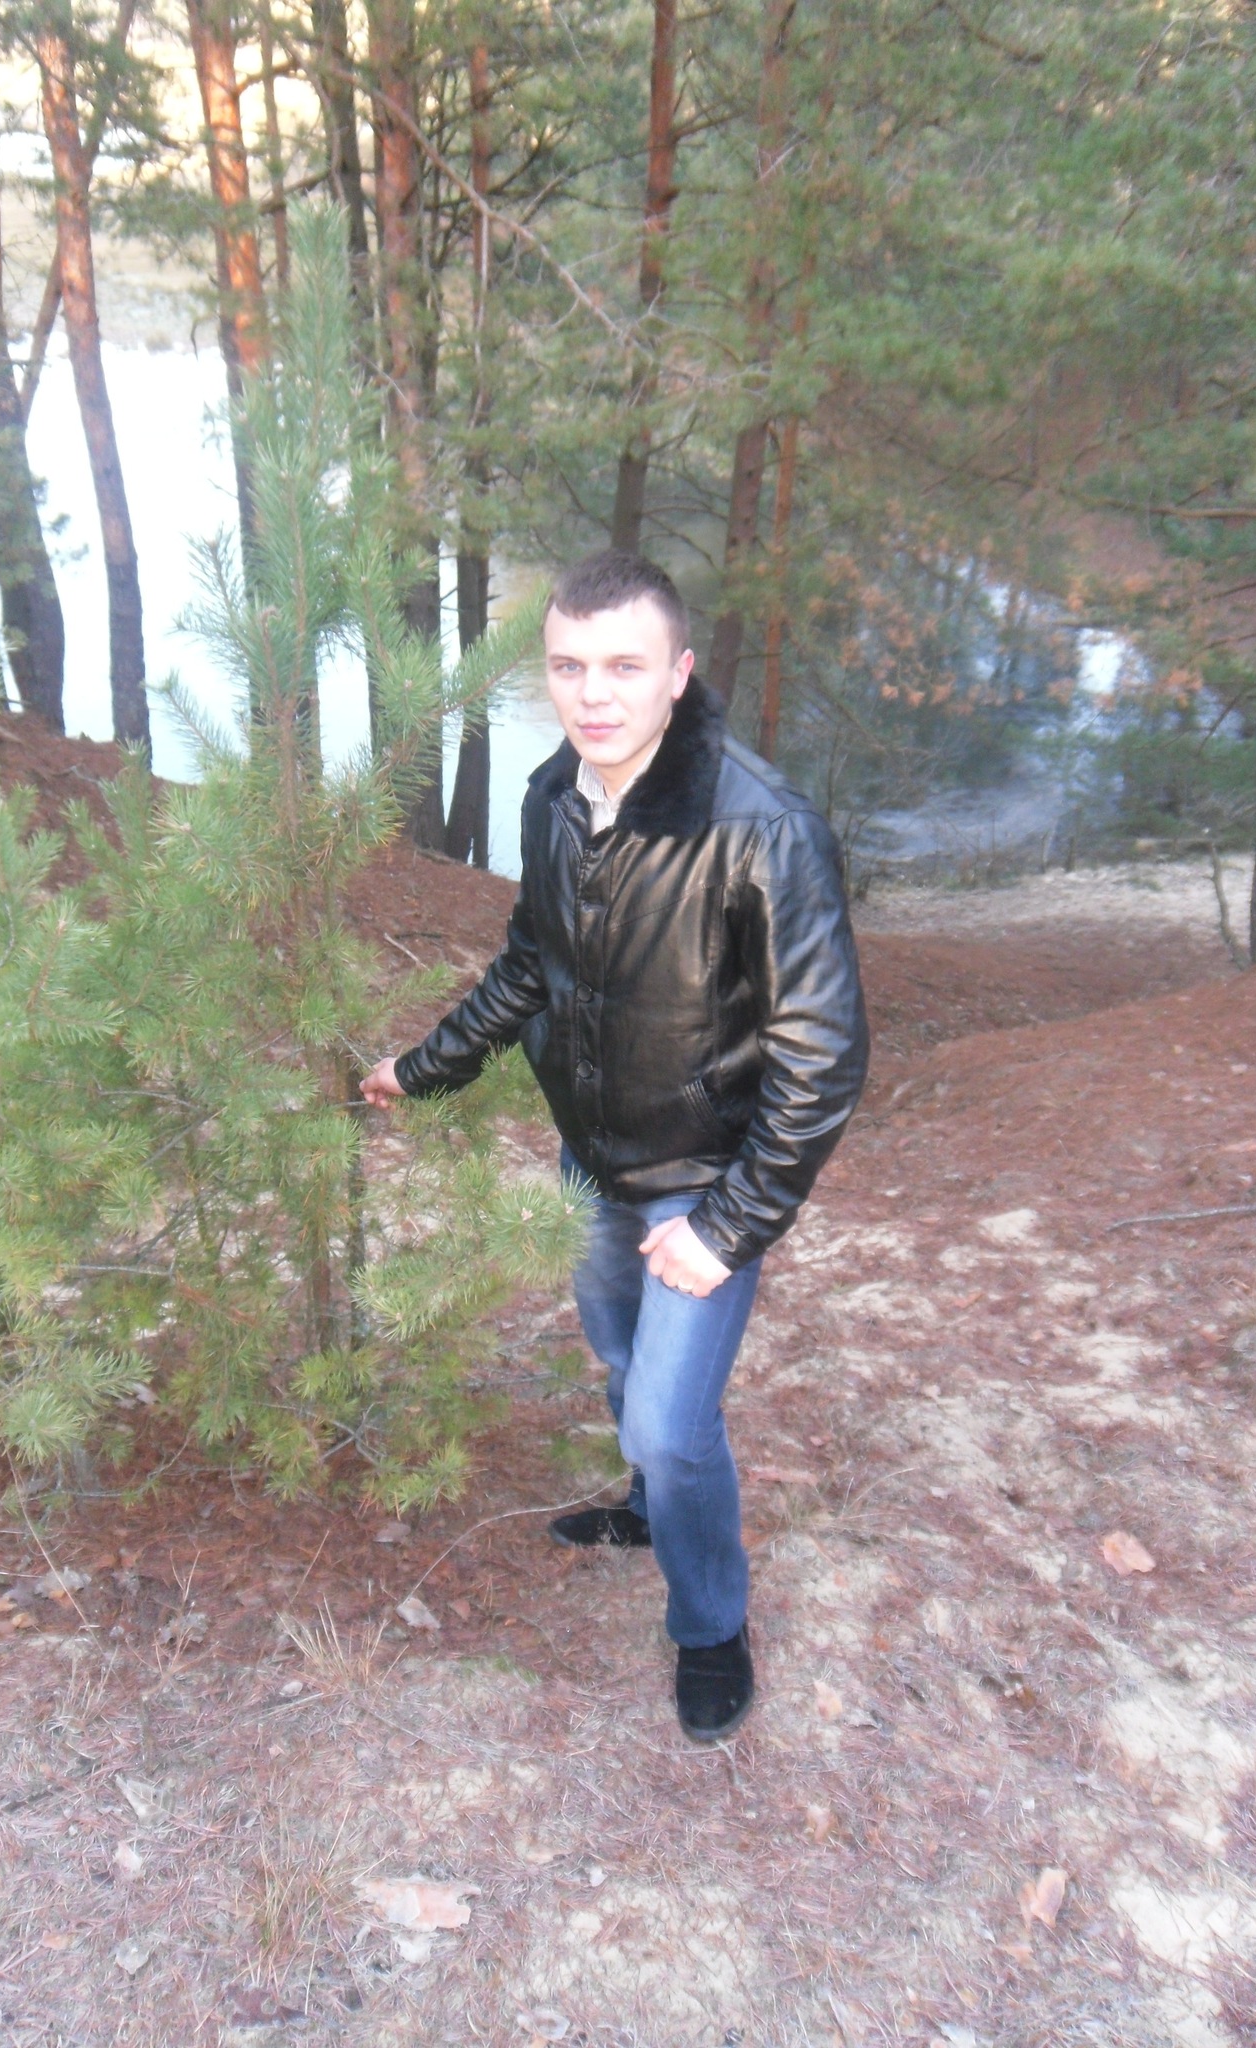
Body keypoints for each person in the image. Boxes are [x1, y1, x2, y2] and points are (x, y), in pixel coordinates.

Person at [360, 548, 869, 1741]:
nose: (593, 694)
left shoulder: (765, 831)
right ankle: (649, 1507)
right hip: (592, 1161)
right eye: (569, 666)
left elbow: (822, 1061)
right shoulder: (555, 793)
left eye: (625, 666)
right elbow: (530, 963)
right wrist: (421, 1067)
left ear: (679, 673)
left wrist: (727, 1228)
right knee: (617, 1356)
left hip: (705, 1183)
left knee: (669, 1422)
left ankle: (711, 1621)